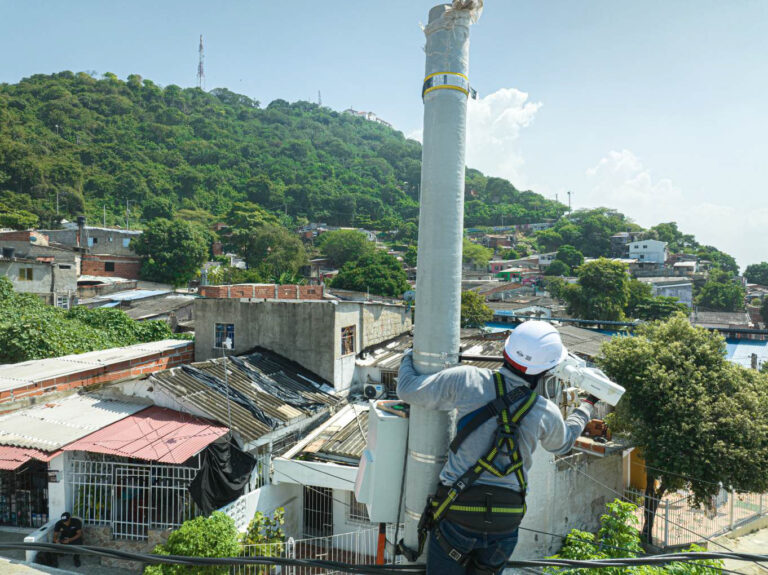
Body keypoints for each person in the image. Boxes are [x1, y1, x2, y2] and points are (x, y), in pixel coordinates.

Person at [397, 321, 597, 575]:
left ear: (505, 352)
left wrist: (408, 356)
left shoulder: (466, 379)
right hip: (505, 520)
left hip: (459, 511)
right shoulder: (545, 411)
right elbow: (564, 443)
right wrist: (587, 405)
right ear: (547, 370)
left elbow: (408, 389)